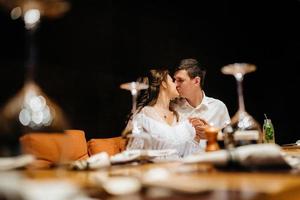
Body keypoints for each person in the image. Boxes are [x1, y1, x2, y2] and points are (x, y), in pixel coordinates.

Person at [125, 69, 200, 158]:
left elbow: (185, 153)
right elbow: (134, 152)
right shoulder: (146, 114)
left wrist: (196, 137)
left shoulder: (178, 115)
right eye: (172, 81)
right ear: (163, 84)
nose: (176, 84)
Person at [173, 58, 231, 147]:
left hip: (211, 159)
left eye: (180, 80)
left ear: (196, 81)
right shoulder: (173, 107)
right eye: (174, 80)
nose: (175, 85)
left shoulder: (218, 107)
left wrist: (212, 134)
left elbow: (229, 143)